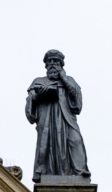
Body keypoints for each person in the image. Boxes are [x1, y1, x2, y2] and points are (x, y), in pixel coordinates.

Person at [26, 49, 89, 180]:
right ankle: (46, 174)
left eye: (56, 61)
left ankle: (80, 171)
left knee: (75, 140)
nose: (53, 64)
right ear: (46, 65)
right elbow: (30, 103)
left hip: (66, 119)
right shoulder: (38, 81)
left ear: (61, 64)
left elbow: (77, 101)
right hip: (47, 118)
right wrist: (39, 95)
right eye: (50, 61)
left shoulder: (69, 80)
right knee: (47, 146)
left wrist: (64, 79)